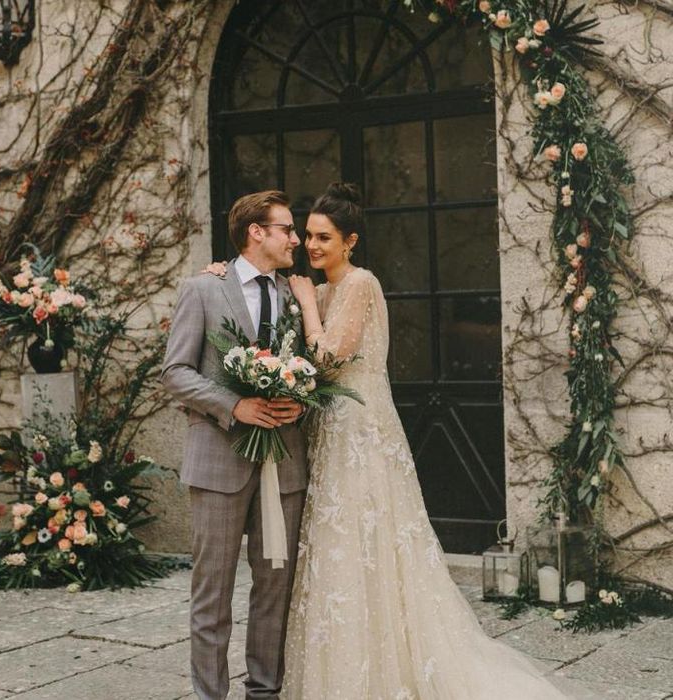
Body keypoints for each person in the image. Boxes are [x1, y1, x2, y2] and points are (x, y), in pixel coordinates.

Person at [204, 183, 579, 699]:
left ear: (350, 241)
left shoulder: (359, 284)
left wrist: (308, 303)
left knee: (367, 543)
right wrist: (221, 273)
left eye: (322, 238)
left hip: (359, 436)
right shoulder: (319, 289)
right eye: (305, 236)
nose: (310, 246)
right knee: (334, 552)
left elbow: (330, 358)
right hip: (323, 437)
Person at [161, 190, 308, 700]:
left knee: (275, 591)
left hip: (282, 467)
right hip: (219, 463)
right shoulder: (203, 289)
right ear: (256, 232)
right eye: (287, 229)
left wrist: (300, 403)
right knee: (212, 594)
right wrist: (233, 406)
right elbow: (175, 372)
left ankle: (264, 692)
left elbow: (315, 370)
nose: (296, 239)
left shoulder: (296, 295)